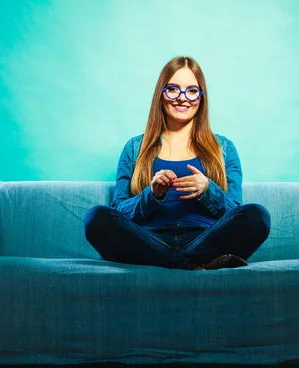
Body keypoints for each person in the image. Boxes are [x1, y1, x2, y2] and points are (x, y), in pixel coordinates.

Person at [83, 56, 270, 270]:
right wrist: (152, 195)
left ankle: (173, 263)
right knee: (96, 217)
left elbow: (237, 212)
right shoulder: (135, 147)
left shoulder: (224, 148)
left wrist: (209, 190)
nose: (182, 98)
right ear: (161, 94)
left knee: (257, 215)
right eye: (173, 89)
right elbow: (118, 212)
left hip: (206, 242)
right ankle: (190, 265)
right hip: (149, 242)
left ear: (201, 97)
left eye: (192, 90)